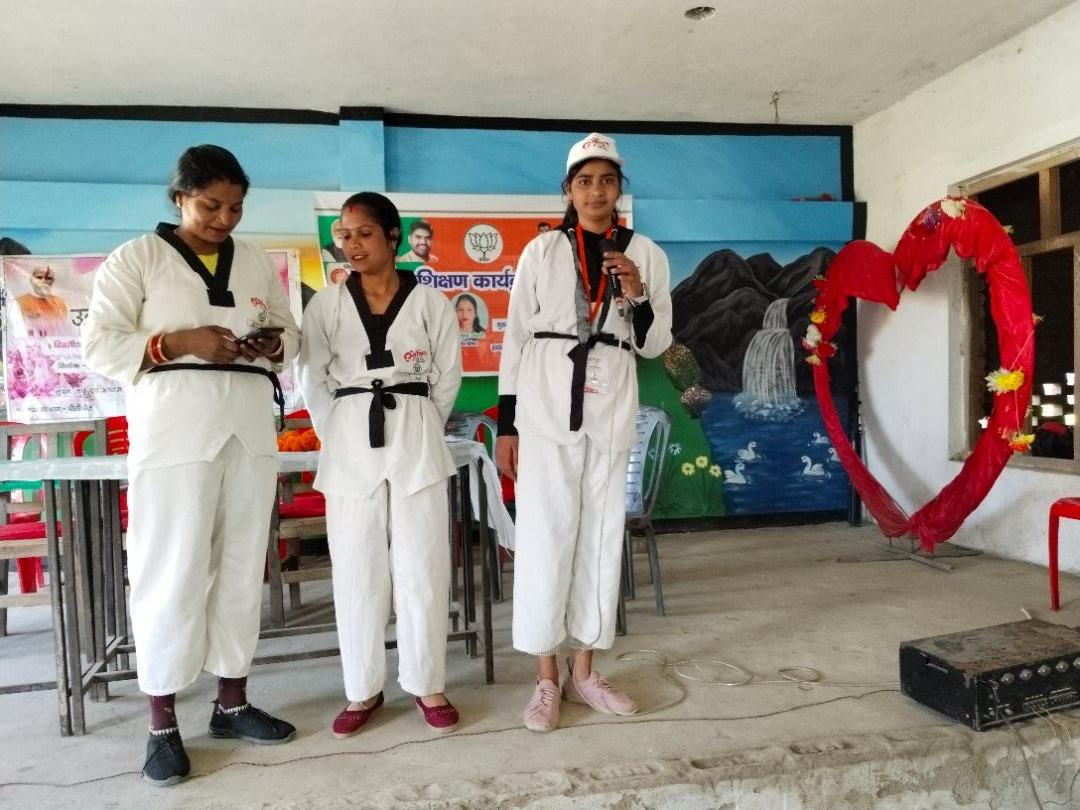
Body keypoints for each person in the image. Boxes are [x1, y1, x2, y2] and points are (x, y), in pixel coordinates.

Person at [82, 145, 301, 787]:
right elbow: (99, 344)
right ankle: (161, 723)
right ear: (180, 197)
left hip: (248, 429)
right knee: (171, 568)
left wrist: (273, 342)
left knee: (241, 565)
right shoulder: (137, 258)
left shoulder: (254, 259)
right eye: (210, 205)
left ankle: (231, 702)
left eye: (236, 207)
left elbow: (289, 331)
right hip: (175, 434)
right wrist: (177, 341)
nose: (224, 218)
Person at [496, 133, 672, 732]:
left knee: (600, 536)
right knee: (546, 534)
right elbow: (515, 339)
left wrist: (636, 293)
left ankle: (586, 669)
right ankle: (546, 678)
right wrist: (507, 425)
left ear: (620, 189)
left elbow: (656, 343)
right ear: (568, 190)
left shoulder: (646, 252)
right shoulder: (542, 251)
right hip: (546, 404)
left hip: (611, 402)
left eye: (608, 180)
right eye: (585, 181)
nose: (597, 191)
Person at [296, 192, 463, 738]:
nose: (352, 244)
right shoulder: (326, 305)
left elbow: (447, 378)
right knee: (355, 565)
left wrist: (421, 423)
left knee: (423, 562)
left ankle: (427, 682)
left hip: (415, 429)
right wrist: (340, 434)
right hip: (349, 431)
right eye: (344, 235)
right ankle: (362, 688)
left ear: (394, 237)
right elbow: (312, 380)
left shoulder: (430, 302)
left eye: (364, 233)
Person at [15, 265, 71, 334]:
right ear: (31, 280)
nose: (43, 281)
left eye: (48, 278)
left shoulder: (61, 303)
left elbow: (66, 327)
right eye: (39, 277)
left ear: (52, 281)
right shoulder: (19, 302)